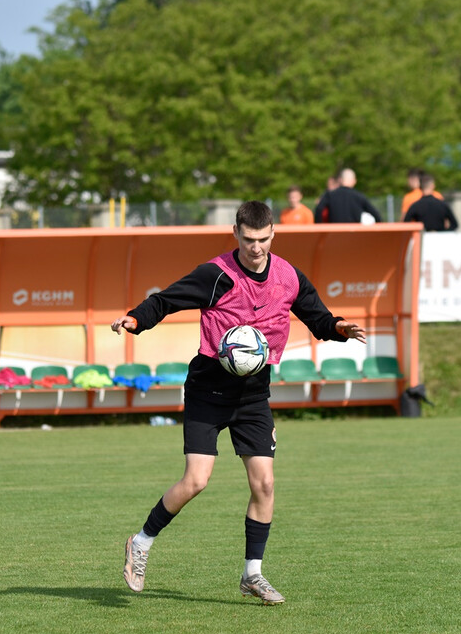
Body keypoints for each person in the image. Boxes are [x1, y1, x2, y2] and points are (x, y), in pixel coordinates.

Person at [113, 200, 366, 604]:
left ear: (272, 235)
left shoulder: (287, 277)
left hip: (253, 394)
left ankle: (253, 574)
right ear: (236, 234)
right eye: (249, 240)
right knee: (196, 480)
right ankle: (140, 543)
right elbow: (166, 300)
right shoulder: (217, 275)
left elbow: (317, 317)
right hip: (208, 388)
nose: (256, 248)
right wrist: (136, 319)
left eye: (264, 240)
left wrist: (337, 327)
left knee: (264, 483)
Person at [314, 168, 383, 224]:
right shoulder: (359, 196)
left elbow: (319, 209)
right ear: (354, 181)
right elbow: (376, 214)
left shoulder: (330, 195)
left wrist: (320, 226)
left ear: (340, 180)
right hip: (354, 236)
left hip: (334, 234)